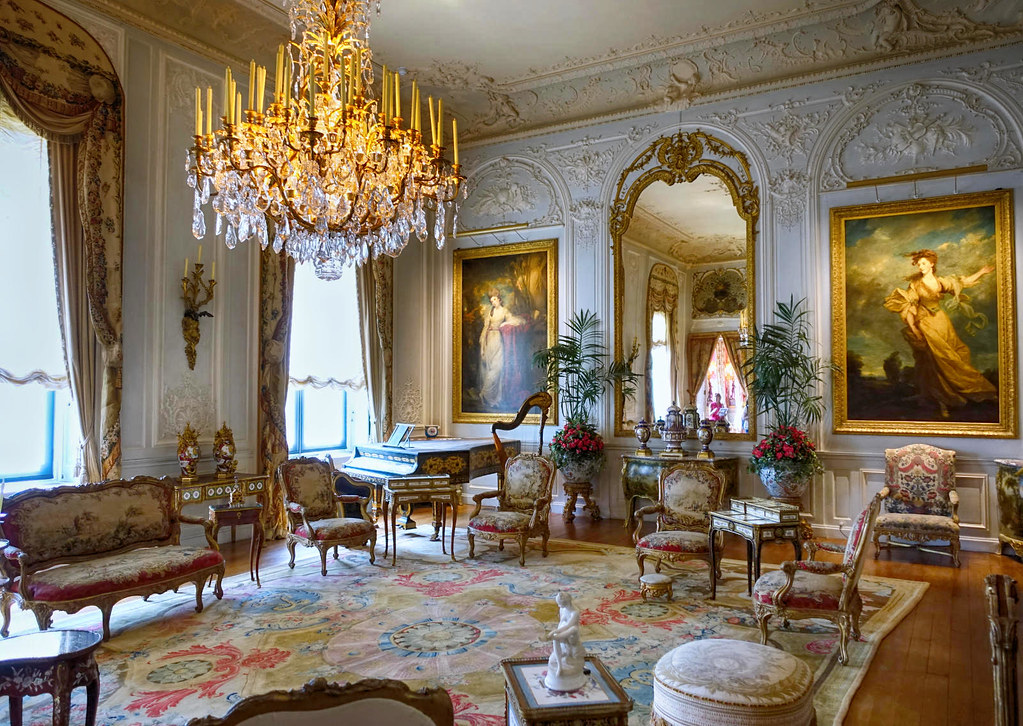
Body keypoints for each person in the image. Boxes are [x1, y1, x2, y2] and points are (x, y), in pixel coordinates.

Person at [883, 248, 997, 417]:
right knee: (939, 359)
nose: (920, 266)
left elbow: (963, 282)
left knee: (957, 355)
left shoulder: (941, 282)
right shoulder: (915, 285)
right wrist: (914, 328)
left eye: (923, 263)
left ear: (932, 264)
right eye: (918, 264)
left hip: (942, 321)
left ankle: (975, 391)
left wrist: (981, 271)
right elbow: (907, 307)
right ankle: (944, 400)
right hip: (925, 323)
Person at [478, 290, 522, 408]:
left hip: (499, 340)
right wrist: (482, 348)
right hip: (489, 342)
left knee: (498, 368)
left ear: (500, 300)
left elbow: (514, 320)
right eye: (491, 300)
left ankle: (490, 396)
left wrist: (503, 324)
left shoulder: (504, 311)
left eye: (495, 299)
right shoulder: (490, 313)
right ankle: (489, 398)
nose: (493, 302)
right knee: (490, 368)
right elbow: (484, 330)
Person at [544, 592, 587, 692]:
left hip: (572, 636)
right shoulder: (562, 609)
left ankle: (555, 637)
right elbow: (561, 624)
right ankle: (559, 665)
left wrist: (555, 634)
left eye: (560, 603)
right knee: (556, 637)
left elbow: (569, 626)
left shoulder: (575, 613)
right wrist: (554, 631)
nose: (559, 606)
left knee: (573, 629)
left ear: (566, 602)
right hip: (563, 632)